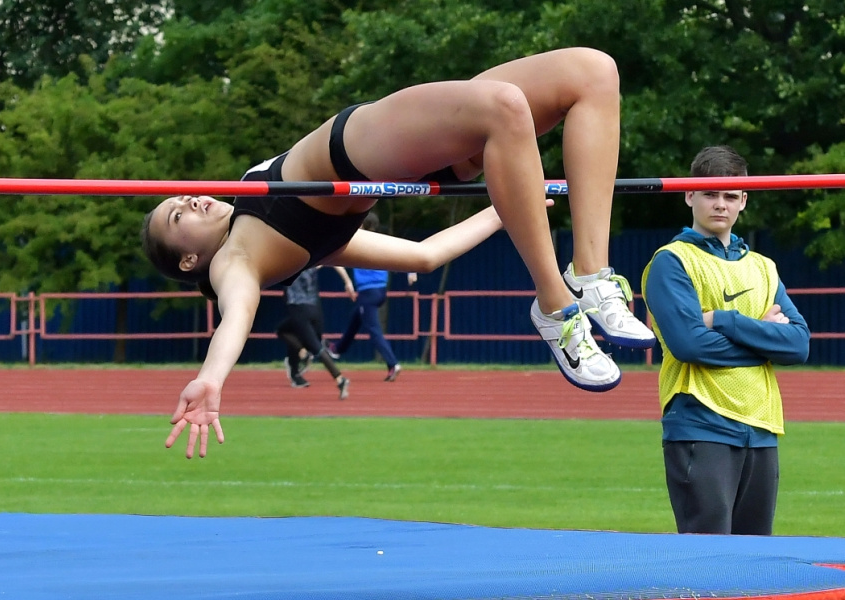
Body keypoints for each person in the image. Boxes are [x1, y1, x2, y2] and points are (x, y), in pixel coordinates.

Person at [142, 47, 654, 459]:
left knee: (593, 72)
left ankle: (591, 273)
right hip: (370, 146)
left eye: (180, 200)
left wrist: (507, 207)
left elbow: (425, 255)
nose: (188, 201)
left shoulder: (303, 241)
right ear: (189, 262)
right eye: (176, 217)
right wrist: (210, 379)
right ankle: (555, 304)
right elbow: (236, 314)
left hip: (416, 146)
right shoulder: (235, 261)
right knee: (507, 105)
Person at [641, 145, 810, 535]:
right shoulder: (672, 261)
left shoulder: (763, 267)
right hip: (700, 425)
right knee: (709, 557)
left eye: (731, 196)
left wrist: (723, 319)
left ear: (744, 201)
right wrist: (764, 340)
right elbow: (690, 345)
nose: (721, 204)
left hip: (762, 428)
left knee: (753, 557)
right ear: (689, 195)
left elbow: (798, 344)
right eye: (710, 194)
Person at [327, 213, 405, 382]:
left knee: (373, 329)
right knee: (356, 319)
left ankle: (392, 363)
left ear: (362, 224)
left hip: (369, 292)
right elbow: (402, 254)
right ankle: (337, 349)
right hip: (379, 291)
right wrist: (411, 271)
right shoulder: (381, 241)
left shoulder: (358, 240)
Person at [277, 265, 353, 398]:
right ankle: (301, 357)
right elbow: (335, 263)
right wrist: (348, 281)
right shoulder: (312, 264)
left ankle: (339, 378)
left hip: (298, 310)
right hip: (314, 309)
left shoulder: (288, 266)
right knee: (283, 330)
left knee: (316, 347)